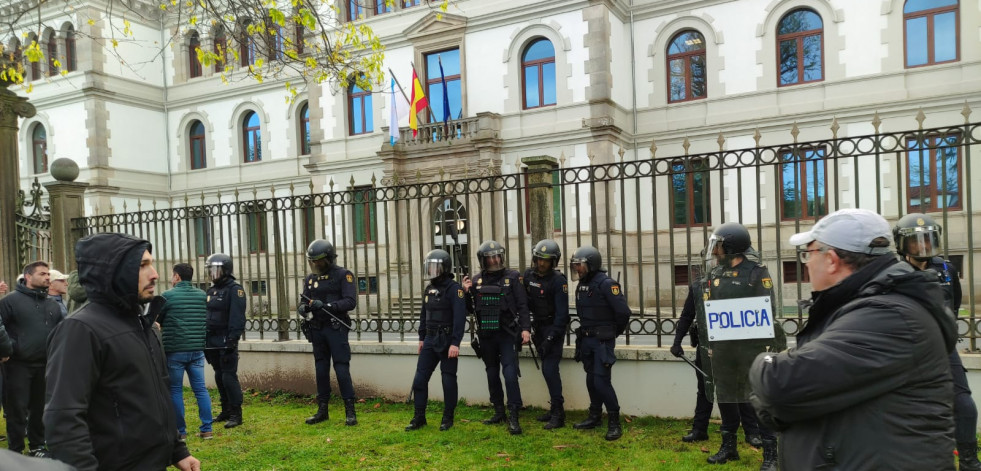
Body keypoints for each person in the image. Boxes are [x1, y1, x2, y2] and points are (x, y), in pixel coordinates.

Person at [749, 209, 956, 470]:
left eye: (808, 253)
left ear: (832, 260)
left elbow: (779, 382)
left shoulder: (888, 317)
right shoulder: (859, 307)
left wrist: (761, 364)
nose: (806, 263)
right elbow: (806, 393)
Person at [44, 232, 200, 471]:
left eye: (152, 264)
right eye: (142, 265)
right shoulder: (79, 330)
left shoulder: (142, 323)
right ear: (113, 272)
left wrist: (177, 450)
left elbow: (158, 392)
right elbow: (64, 417)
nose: (155, 274)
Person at [894, 212, 978, 470]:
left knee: (965, 405)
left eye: (928, 240)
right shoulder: (893, 273)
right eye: (916, 242)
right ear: (902, 245)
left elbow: (952, 304)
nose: (923, 246)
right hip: (906, 348)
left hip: (942, 345)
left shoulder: (945, 269)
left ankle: (969, 461)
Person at [695, 223, 781, 470]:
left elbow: (767, 309)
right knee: (726, 397)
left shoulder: (756, 273)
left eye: (719, 245)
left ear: (730, 246)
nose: (715, 251)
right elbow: (708, 311)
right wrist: (710, 342)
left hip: (749, 348)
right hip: (723, 349)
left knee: (757, 398)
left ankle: (770, 454)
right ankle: (729, 447)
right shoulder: (715, 274)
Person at [670, 279, 762, 447]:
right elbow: (687, 315)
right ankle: (699, 429)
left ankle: (752, 432)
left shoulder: (736, 282)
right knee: (705, 388)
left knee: (741, 388)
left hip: (733, 346)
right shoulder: (699, 286)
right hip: (706, 345)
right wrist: (677, 342)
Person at [462, 240, 531, 435]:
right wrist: (466, 292)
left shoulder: (513, 277)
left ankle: (514, 415)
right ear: (483, 260)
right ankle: (498, 411)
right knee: (492, 374)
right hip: (486, 336)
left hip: (507, 334)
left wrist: (526, 329)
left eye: (497, 256)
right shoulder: (476, 281)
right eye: (490, 257)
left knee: (509, 374)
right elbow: (469, 309)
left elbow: (522, 305)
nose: (494, 260)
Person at [0, 261, 63, 457]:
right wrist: (9, 348)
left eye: (48, 274)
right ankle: (16, 450)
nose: (47, 277)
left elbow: (59, 332)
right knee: (17, 410)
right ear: (28, 277)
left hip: (45, 364)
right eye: (42, 274)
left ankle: (37, 446)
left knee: (40, 409)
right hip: (17, 365)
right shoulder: (9, 302)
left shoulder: (52, 304)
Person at [569, 245, 630, 441]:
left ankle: (614, 422)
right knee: (590, 379)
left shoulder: (606, 284)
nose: (577, 268)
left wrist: (612, 333)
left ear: (591, 264)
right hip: (586, 340)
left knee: (601, 382)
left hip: (602, 341)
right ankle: (594, 416)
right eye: (575, 265)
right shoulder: (582, 285)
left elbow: (623, 313)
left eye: (580, 265)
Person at [297, 239, 359, 426]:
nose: (315, 264)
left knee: (341, 369)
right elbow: (305, 299)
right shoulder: (310, 279)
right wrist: (302, 308)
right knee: (321, 370)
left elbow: (350, 301)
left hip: (335, 328)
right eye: (312, 261)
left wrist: (328, 306)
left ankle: (350, 410)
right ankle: (322, 410)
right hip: (317, 328)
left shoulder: (343, 275)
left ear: (329, 259)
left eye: (319, 261)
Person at [405, 249, 466, 432]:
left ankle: (448, 418)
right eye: (429, 267)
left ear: (444, 268)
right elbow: (424, 315)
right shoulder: (429, 289)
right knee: (419, 379)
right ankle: (419, 417)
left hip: (448, 340)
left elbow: (459, 319)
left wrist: (455, 343)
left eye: (435, 267)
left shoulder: (455, 289)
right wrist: (421, 338)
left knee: (448, 380)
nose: (431, 270)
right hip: (430, 340)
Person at [160, 263, 213, 440]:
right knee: (200, 389)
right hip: (197, 349)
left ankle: (180, 432)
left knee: (175, 390)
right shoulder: (201, 295)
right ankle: (207, 429)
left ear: (177, 277)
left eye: (172, 275)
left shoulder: (167, 296)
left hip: (175, 350)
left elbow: (157, 319)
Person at [522, 239, 569, 430]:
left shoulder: (559, 281)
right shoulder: (528, 276)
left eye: (546, 260)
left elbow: (562, 315)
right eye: (539, 259)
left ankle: (558, 413)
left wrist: (551, 338)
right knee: (547, 371)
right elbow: (523, 302)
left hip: (553, 329)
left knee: (550, 370)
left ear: (553, 261)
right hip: (538, 328)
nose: (541, 263)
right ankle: (554, 408)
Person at [204, 252, 246, 429]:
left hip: (226, 339)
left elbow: (237, 317)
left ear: (226, 270)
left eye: (216, 270)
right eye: (211, 270)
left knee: (229, 376)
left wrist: (232, 339)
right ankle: (225, 410)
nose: (213, 274)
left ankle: (236, 413)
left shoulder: (235, 290)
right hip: (212, 340)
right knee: (219, 376)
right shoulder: (211, 291)